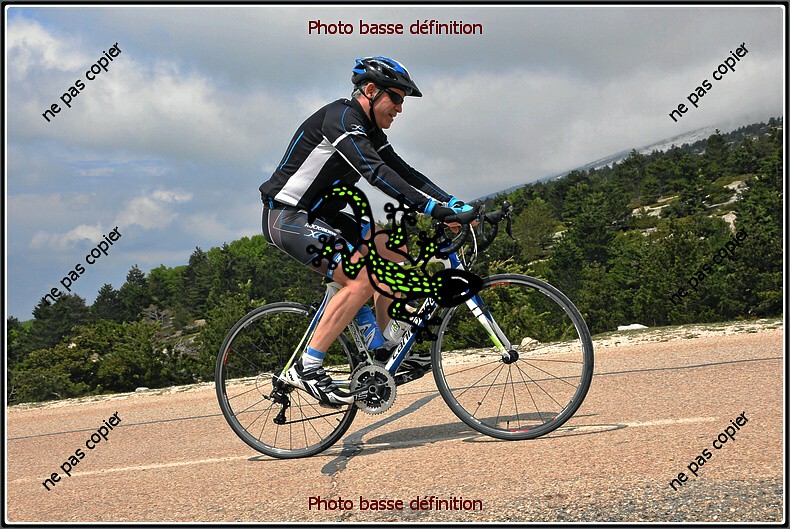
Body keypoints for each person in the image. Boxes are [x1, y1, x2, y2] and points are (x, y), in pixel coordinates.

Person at [259, 56, 473, 406]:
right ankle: (307, 367)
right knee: (361, 279)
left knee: (390, 252)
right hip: (287, 216)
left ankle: (383, 346)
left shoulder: (369, 130)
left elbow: (403, 172)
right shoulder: (341, 119)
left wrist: (453, 203)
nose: (400, 108)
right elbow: (375, 173)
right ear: (371, 90)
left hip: (324, 216)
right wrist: (431, 208)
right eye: (397, 98)